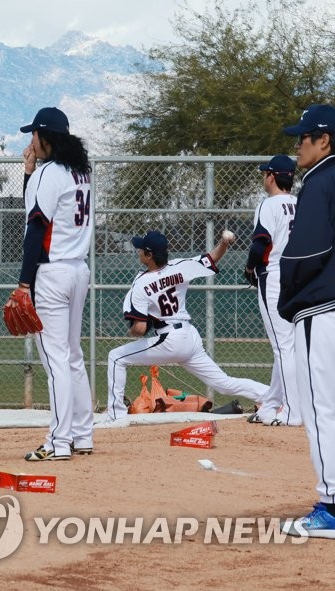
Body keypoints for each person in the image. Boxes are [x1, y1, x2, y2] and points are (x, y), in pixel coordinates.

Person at [105, 230, 268, 423]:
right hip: (189, 337)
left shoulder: (140, 284)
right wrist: (224, 242)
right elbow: (213, 257)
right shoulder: (180, 266)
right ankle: (271, 396)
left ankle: (116, 416)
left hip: (169, 340)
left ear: (149, 255)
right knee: (223, 383)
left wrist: (132, 330)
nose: (138, 252)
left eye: (141, 250)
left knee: (116, 357)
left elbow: (139, 329)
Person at [12, 107, 94, 461]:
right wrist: (30, 173)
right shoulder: (81, 172)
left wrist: (23, 284)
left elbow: (35, 229)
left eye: (34, 135)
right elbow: (40, 210)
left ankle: (58, 442)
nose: (31, 141)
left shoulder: (50, 174)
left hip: (52, 275)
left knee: (55, 359)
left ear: (47, 137)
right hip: (78, 270)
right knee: (72, 356)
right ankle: (82, 435)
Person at [277, 103, 335, 538]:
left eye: (304, 137)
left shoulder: (319, 180)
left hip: (322, 309)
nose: (298, 144)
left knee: (321, 409)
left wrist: (288, 299)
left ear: (325, 140)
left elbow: (304, 254)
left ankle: (331, 507)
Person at [244, 155, 299, 426]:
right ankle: (272, 405)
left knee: (283, 346)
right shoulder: (299, 203)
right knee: (287, 344)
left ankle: (292, 410)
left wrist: (249, 268)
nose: (263, 177)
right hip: (298, 276)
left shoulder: (269, 204)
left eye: (266, 173)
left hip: (274, 275)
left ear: (272, 177)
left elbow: (259, 245)